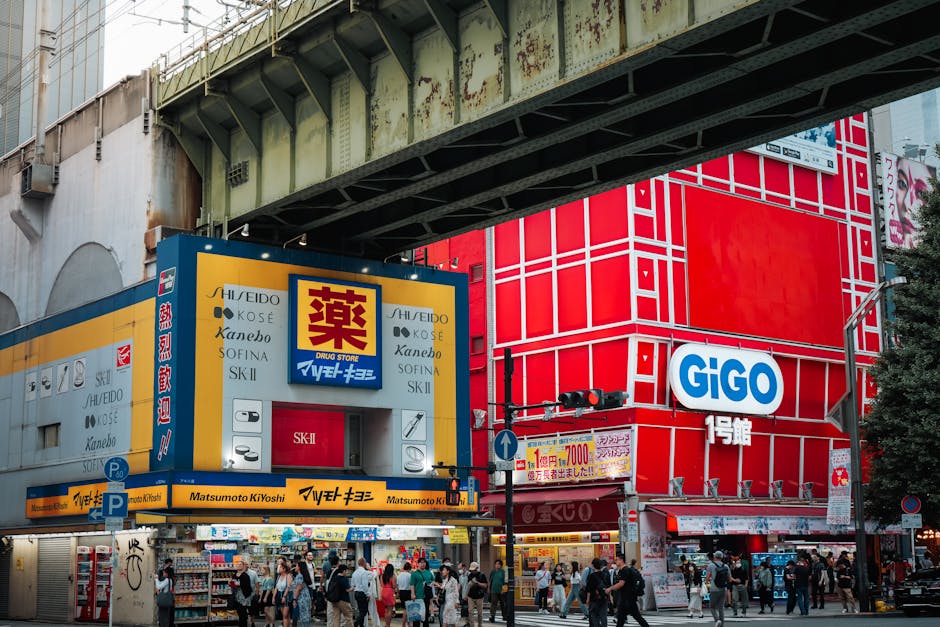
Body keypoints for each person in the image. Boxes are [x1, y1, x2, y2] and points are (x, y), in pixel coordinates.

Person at [606, 555, 649, 627]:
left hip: (628, 598)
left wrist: (610, 588)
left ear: (621, 560)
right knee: (622, 618)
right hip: (626, 598)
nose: (615, 561)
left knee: (635, 616)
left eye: (617, 560)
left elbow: (621, 583)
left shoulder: (625, 570)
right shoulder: (622, 570)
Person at [706, 551, 729, 627]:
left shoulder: (711, 565)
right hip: (723, 589)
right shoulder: (726, 566)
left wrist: (706, 584)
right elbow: (729, 578)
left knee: (712, 606)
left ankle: (717, 620)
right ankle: (721, 624)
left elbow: (707, 577)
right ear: (722, 557)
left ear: (715, 556)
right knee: (721, 607)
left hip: (714, 589)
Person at [410, 558, 434, 627]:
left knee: (425, 615)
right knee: (416, 616)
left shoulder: (429, 573)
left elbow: (432, 581)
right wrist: (413, 594)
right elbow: (412, 584)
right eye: (421, 562)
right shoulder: (414, 574)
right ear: (418, 564)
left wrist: (430, 585)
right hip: (417, 596)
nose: (423, 564)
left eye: (424, 562)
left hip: (426, 596)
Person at [583, 558, 608, 627]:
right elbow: (608, 587)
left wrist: (587, 600)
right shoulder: (605, 575)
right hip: (604, 598)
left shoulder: (591, 576)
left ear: (593, 565)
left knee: (594, 616)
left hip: (594, 599)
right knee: (603, 616)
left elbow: (589, 590)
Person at [233, 561, 256, 627]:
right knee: (239, 613)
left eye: (240, 564)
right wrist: (230, 583)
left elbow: (248, 586)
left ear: (243, 566)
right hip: (237, 596)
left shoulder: (245, 575)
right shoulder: (234, 575)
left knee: (243, 614)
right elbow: (233, 584)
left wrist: (240, 584)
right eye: (238, 564)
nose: (239, 565)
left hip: (244, 597)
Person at [465, 562, 487, 627]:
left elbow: (485, 585)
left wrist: (477, 583)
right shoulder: (470, 575)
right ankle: (472, 625)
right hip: (471, 596)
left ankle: (480, 625)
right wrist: (466, 594)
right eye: (471, 570)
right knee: (470, 611)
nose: (472, 571)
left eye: (474, 570)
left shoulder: (482, 575)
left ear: (477, 568)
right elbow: (468, 586)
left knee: (480, 613)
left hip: (479, 596)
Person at [352, 559, 372, 627]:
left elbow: (353, 584)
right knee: (364, 611)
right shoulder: (364, 573)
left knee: (361, 610)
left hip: (356, 592)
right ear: (364, 563)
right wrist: (368, 594)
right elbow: (365, 585)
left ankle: (361, 625)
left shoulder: (355, 572)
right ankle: (356, 623)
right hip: (362, 593)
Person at [293, 562, 313, 627]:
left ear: (299, 567)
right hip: (305, 598)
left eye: (296, 566)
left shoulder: (299, 576)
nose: (295, 567)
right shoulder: (301, 575)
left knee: (304, 617)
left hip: (302, 598)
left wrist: (294, 599)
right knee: (306, 616)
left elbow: (298, 588)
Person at [276, 561, 294, 627]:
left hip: (286, 596)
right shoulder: (279, 576)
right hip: (279, 595)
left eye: (280, 567)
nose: (279, 569)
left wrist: (284, 596)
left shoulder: (288, 576)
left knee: (285, 615)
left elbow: (288, 587)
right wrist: (274, 597)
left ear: (284, 569)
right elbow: (276, 587)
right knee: (285, 615)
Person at [325, 555, 341, 627]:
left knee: (330, 613)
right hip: (336, 595)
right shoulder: (338, 571)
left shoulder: (329, 571)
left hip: (329, 594)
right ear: (337, 562)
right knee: (338, 613)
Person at [397, 562, 412, 627]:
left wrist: (398, 593)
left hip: (401, 593)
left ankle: (408, 624)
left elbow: (397, 586)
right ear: (409, 569)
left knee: (405, 609)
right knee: (407, 609)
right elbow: (412, 585)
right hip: (408, 592)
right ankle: (404, 624)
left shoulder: (399, 575)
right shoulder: (410, 575)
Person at [163, 559, 176, 627]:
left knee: (166, 610)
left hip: (166, 595)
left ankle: (167, 623)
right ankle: (170, 623)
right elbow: (174, 581)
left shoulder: (164, 571)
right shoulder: (170, 570)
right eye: (170, 563)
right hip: (170, 594)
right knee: (171, 610)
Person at [247, 561, 261, 627]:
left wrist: (257, 593)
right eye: (244, 564)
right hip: (242, 596)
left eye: (247, 564)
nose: (245, 565)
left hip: (252, 594)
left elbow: (257, 583)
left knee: (252, 610)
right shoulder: (239, 573)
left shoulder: (253, 573)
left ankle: (252, 622)